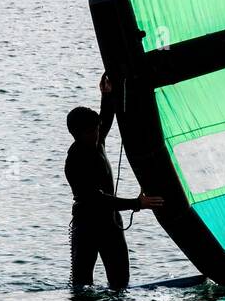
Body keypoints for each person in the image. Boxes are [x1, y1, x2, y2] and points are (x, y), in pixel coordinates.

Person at [64, 73, 163, 289]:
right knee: (81, 286)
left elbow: (105, 119)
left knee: (120, 283)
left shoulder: (97, 141)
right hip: (86, 226)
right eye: (92, 131)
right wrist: (137, 204)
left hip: (110, 225)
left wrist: (106, 95)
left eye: (97, 129)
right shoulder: (76, 161)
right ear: (77, 134)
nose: (98, 134)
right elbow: (97, 199)